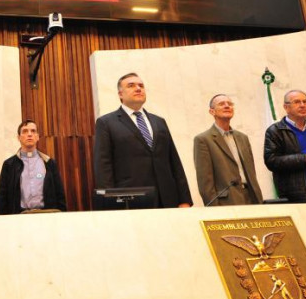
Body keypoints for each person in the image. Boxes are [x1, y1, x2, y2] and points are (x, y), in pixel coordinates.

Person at [93, 72, 193, 208]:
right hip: (131, 200)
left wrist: (184, 199)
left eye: (141, 85)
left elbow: (174, 161)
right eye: (131, 86)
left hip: (168, 198)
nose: (138, 88)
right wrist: (111, 202)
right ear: (120, 94)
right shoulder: (106, 123)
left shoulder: (159, 121)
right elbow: (103, 165)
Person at [193, 94, 263, 206]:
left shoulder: (242, 138)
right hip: (226, 202)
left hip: (251, 198)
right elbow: (205, 181)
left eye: (230, 104)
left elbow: (251, 172)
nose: (227, 106)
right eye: (221, 104)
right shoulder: (203, 140)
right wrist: (215, 208)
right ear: (212, 112)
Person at [0, 120, 67, 215]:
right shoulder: (9, 165)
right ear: (19, 138)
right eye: (25, 131)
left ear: (37, 137)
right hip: (19, 218)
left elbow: (60, 195)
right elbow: (2, 198)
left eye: (33, 131)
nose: (29, 134)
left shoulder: (49, 163)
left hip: (47, 216)